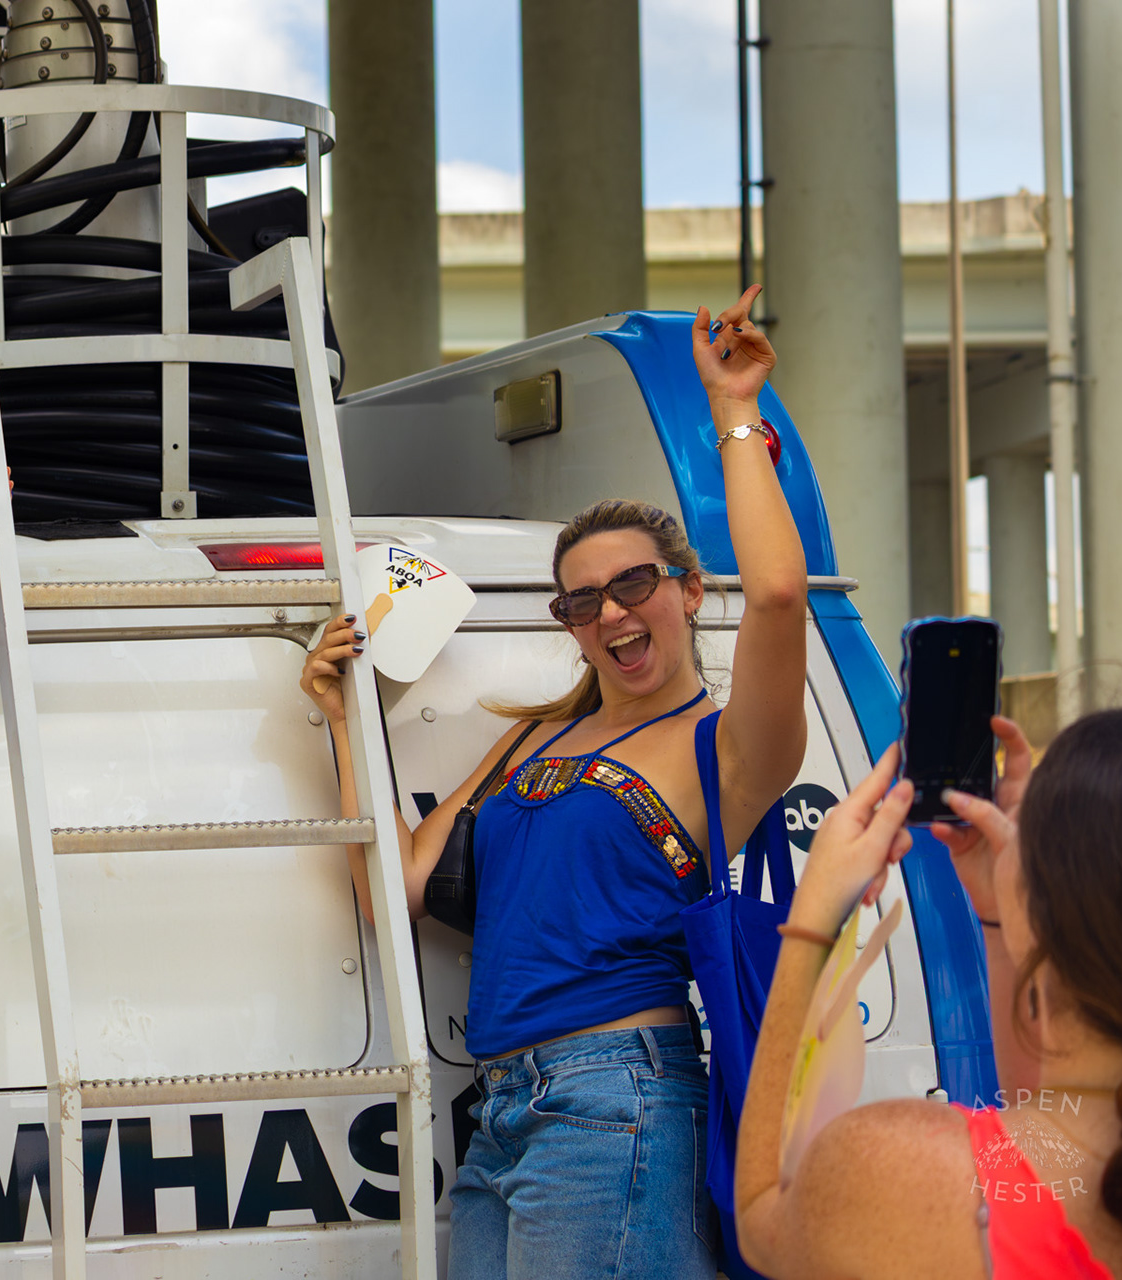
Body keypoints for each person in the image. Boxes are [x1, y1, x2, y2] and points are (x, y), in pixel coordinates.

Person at [301, 285, 808, 1278]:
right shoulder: (533, 740)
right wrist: (342, 719)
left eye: (634, 585)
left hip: (619, 1096)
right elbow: (397, 888)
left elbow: (783, 594)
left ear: (688, 592)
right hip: (503, 1106)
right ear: (569, 624)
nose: (611, 613)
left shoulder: (723, 747)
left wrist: (734, 410)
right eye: (582, 601)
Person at [735, 714, 1122, 1278]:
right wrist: (999, 919)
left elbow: (760, 1216)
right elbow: (1040, 1124)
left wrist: (814, 914)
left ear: (1040, 904)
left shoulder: (905, 1171)